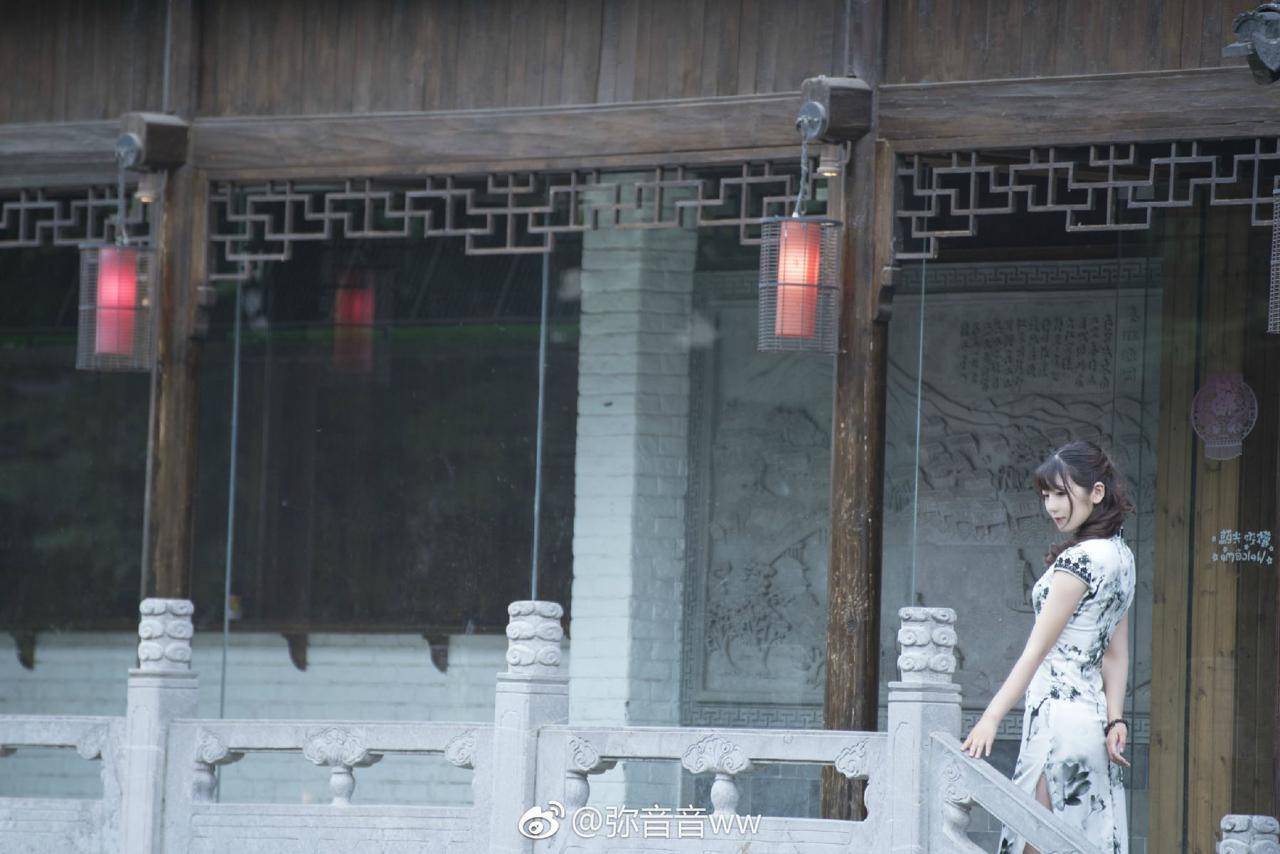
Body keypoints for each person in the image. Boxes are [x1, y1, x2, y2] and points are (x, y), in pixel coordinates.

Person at [961, 440, 1136, 854]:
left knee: (1035, 842)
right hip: (1092, 724)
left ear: (1096, 492)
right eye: (1046, 495)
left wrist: (990, 718)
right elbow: (1116, 654)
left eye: (1061, 493)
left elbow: (1036, 651)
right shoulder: (1121, 557)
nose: (1052, 506)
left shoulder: (1079, 562)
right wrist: (1115, 720)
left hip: (1057, 726)